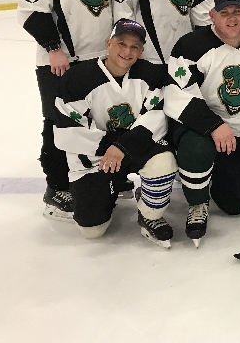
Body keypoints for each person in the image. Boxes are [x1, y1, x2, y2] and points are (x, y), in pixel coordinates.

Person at [14, 0, 113, 221]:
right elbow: (30, 8)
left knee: (95, 119)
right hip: (60, 60)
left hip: (97, 57)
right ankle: (56, 186)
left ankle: (99, 176)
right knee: (58, 123)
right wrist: (53, 48)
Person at [165, 0, 240, 246]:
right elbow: (177, 95)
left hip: (239, 131)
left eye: (237, 11)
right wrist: (214, 126)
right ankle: (197, 202)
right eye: (224, 12)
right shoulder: (191, 46)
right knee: (197, 149)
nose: (231, 18)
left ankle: (215, 170)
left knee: (236, 203)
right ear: (212, 15)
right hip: (198, 127)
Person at [53, 19, 176, 247]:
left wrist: (122, 147)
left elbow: (157, 117)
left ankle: (149, 214)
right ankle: (105, 193)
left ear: (141, 51)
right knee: (92, 230)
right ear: (109, 43)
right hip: (95, 157)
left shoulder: (150, 74)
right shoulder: (77, 78)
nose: (127, 52)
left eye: (134, 47)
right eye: (122, 44)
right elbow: (67, 132)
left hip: (134, 148)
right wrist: (110, 147)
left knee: (164, 161)